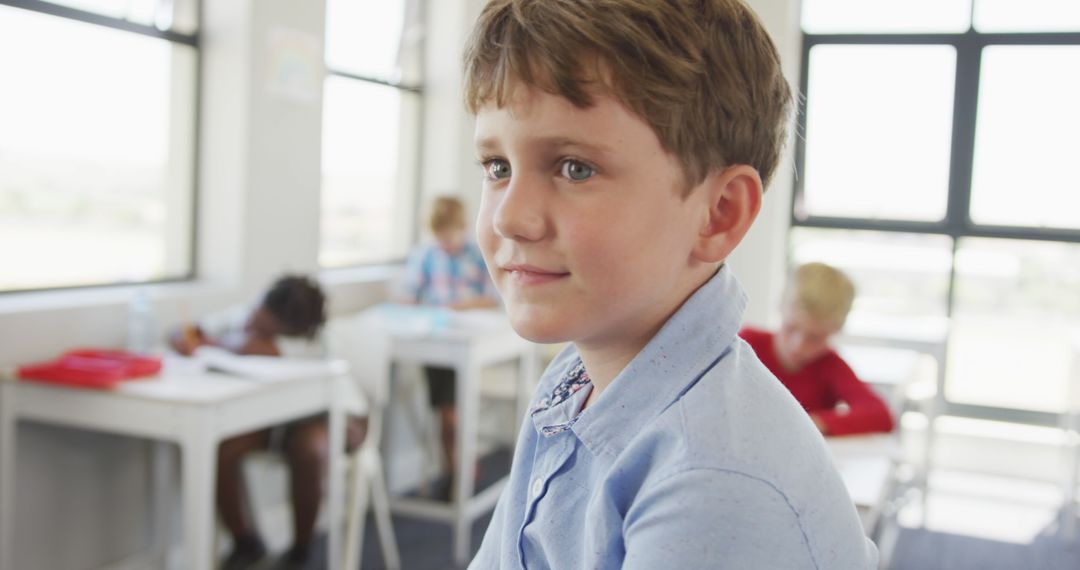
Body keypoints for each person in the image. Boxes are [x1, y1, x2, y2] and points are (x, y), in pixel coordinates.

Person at [464, 1, 877, 568]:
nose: (510, 218)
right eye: (497, 166)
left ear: (719, 214)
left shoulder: (713, 483)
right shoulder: (579, 373)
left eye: (574, 167)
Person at [170, 275, 366, 570]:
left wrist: (213, 344)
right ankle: (246, 542)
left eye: (265, 323)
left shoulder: (311, 342)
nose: (253, 321)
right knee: (223, 447)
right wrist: (186, 338)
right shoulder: (249, 314)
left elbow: (252, 348)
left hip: (335, 416)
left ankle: (300, 552)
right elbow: (184, 331)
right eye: (258, 313)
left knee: (309, 449)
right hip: (278, 420)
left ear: (288, 329)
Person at [398, 196, 499, 495]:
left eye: (449, 236)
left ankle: (461, 469)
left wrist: (461, 307)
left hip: (470, 342)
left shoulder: (478, 255)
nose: (444, 242)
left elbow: (492, 297)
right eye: (439, 237)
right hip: (436, 343)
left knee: (455, 414)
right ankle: (454, 470)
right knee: (445, 413)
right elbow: (410, 294)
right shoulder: (425, 255)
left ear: (462, 228)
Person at [741, 262, 894, 436]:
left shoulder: (830, 366)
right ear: (780, 307)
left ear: (836, 329)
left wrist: (813, 423)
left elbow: (881, 415)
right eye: (791, 327)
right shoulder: (746, 345)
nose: (797, 345)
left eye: (815, 337)